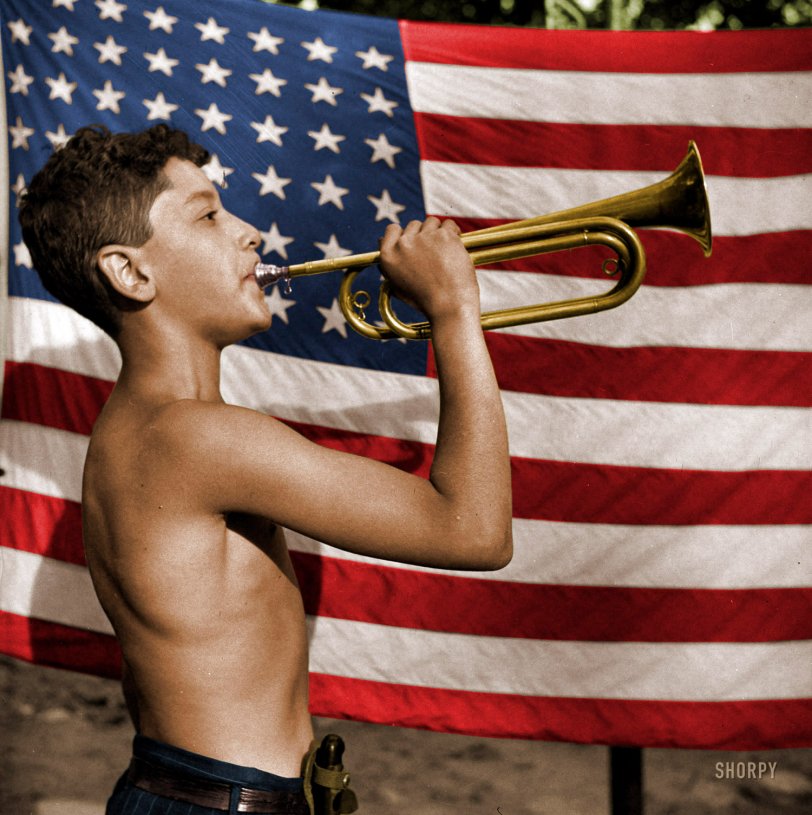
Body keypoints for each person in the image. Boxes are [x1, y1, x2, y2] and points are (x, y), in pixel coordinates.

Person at [19, 124, 513, 815]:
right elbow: (476, 531)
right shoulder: (195, 438)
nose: (249, 232)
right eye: (209, 214)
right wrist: (456, 311)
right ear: (131, 272)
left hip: (193, 790)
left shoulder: (142, 430)